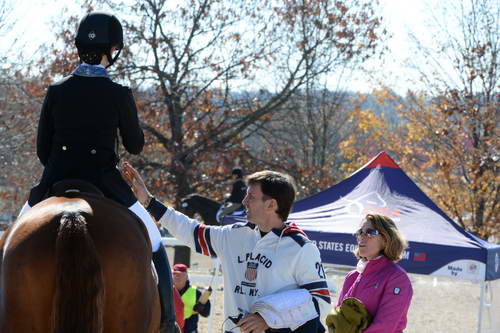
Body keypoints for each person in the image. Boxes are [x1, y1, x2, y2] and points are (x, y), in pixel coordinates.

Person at [18, 12, 175, 332]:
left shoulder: (56, 90)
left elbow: (41, 150)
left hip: (54, 181)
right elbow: (134, 145)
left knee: (11, 243)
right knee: (156, 242)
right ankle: (169, 322)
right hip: (106, 183)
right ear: (112, 51)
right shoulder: (119, 92)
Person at [121, 162, 331, 333]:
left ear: (271, 205)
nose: (244, 200)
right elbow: (190, 230)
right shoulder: (234, 235)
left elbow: (320, 301)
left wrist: (268, 319)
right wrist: (148, 201)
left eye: (251, 197)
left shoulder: (301, 248)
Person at [333, 214, 413, 333]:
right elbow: (338, 318)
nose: (361, 237)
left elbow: (384, 327)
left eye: (370, 232)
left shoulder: (397, 278)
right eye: (360, 232)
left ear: (386, 239)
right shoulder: (352, 276)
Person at [172, 263, 211, 333]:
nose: (177, 277)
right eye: (175, 274)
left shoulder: (196, 292)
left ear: (186, 277)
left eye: (180, 275)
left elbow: (206, 313)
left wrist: (201, 307)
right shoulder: (167, 291)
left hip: (189, 330)